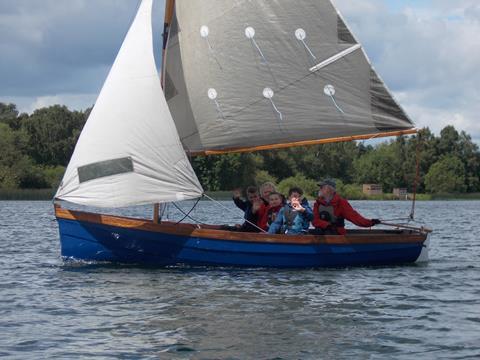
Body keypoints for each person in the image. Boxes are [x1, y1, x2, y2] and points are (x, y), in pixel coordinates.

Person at [311, 179, 380, 235]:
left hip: (337, 234)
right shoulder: (317, 204)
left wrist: (370, 222)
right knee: (318, 232)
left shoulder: (341, 203)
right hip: (321, 233)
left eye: (322, 188)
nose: (320, 190)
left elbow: (355, 218)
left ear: (329, 190)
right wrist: (327, 225)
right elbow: (314, 220)